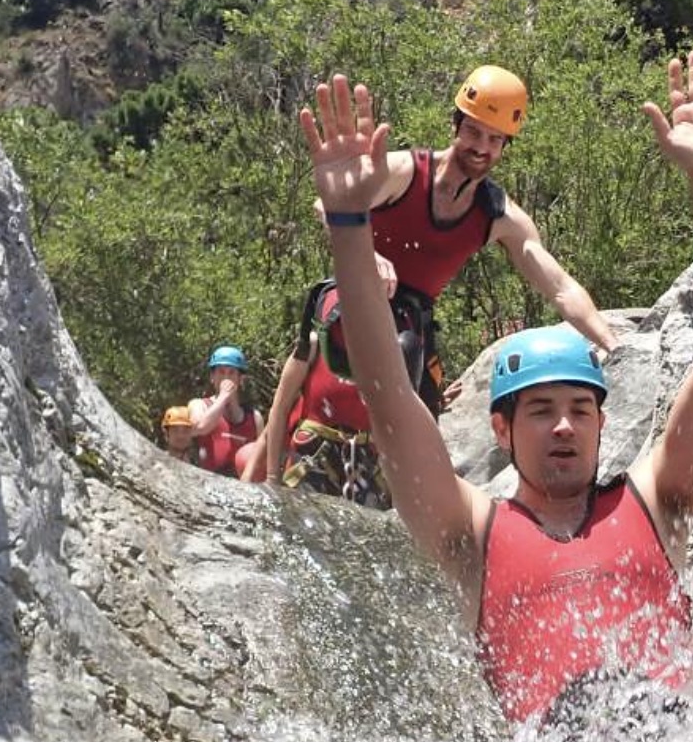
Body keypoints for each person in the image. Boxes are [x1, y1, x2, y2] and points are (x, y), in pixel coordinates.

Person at [298, 50, 693, 727]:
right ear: (501, 431)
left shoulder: (662, 500)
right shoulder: (469, 534)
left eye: (578, 409)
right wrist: (349, 227)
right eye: (541, 412)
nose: (564, 426)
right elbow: (389, 398)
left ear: (603, 423)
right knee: (589, 711)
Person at [255, 65, 622, 505]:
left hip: (411, 331)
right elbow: (326, 202)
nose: (481, 147)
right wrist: (366, 253)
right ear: (455, 126)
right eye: (473, 132)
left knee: (410, 353)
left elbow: (559, 286)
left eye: (494, 139)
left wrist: (610, 342)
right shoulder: (407, 172)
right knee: (332, 334)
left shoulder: (498, 216)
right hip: (355, 299)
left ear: (505, 146)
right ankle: (276, 466)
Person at [189, 345, 260, 478]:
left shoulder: (254, 417)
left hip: (244, 487)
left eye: (231, 372)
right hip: (209, 483)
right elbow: (199, 427)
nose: (226, 377)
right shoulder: (199, 405)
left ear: (240, 379)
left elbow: (261, 454)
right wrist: (223, 397)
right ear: (212, 377)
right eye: (221, 372)